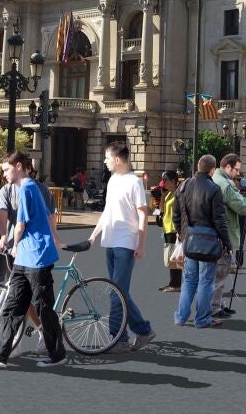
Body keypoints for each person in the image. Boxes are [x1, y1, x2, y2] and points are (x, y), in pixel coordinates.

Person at [0, 151, 68, 369]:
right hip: (25, 257)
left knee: (43, 307)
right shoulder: (32, 188)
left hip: (37, 255)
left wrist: (13, 244)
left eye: (6, 170)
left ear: (18, 166)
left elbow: (21, 225)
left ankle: (57, 354)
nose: (4, 174)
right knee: (13, 305)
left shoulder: (27, 189)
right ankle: (0, 355)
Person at [87, 141, 156, 351]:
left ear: (117, 160)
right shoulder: (113, 181)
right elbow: (107, 212)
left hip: (125, 243)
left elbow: (143, 214)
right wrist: (92, 237)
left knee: (115, 292)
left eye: (107, 158)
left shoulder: (134, 182)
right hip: (110, 241)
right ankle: (143, 330)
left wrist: (141, 244)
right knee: (119, 291)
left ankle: (119, 339)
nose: (105, 161)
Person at [173, 155, 230, 329]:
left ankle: (180, 317)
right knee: (206, 281)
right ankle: (202, 319)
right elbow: (219, 220)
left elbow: (176, 214)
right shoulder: (213, 189)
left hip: (189, 239)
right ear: (212, 170)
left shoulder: (184, 186)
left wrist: (182, 234)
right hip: (209, 241)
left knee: (189, 280)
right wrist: (227, 243)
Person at [210, 153, 246, 320]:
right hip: (224, 234)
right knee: (220, 273)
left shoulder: (215, 179)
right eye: (236, 169)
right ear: (227, 167)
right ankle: (215, 308)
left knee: (219, 273)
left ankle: (219, 304)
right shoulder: (225, 184)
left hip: (214, 235)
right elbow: (242, 207)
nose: (238, 174)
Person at [158, 170, 182, 292]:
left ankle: (176, 284)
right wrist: (162, 197)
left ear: (173, 181)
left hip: (174, 230)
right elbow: (162, 210)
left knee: (174, 257)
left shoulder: (179, 194)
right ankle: (173, 283)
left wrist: (180, 230)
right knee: (169, 257)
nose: (163, 182)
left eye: (165, 180)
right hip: (167, 229)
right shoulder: (168, 194)